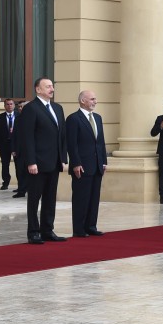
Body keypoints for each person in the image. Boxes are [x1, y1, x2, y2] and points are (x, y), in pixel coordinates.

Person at [16, 77, 68, 244]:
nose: (51, 89)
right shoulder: (31, 108)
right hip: (37, 163)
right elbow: (27, 138)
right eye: (47, 86)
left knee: (50, 198)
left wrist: (63, 158)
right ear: (38, 90)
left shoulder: (58, 108)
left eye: (52, 86)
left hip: (54, 162)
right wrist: (31, 161)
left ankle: (47, 230)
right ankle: (33, 232)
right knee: (34, 199)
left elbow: (62, 136)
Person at [66, 90, 107, 237]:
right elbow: (72, 144)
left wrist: (104, 162)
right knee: (81, 198)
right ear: (83, 101)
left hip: (97, 165)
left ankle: (91, 226)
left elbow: (100, 142)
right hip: (81, 166)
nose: (95, 102)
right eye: (92, 99)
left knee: (94, 198)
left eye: (95, 99)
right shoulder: (73, 119)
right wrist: (76, 163)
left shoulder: (97, 117)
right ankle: (79, 229)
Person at [0, 99, 19, 195]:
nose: (9, 106)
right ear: (4, 106)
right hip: (4, 144)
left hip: (17, 145)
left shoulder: (20, 116)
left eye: (11, 104)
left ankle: (21, 184)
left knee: (18, 165)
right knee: (5, 164)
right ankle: (5, 182)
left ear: (14, 105)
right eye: (7, 104)